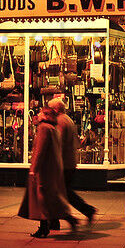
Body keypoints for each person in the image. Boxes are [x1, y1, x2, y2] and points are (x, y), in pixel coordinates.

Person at [17, 104, 77, 238]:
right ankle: (48, 226)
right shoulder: (53, 127)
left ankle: (55, 224)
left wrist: (34, 169)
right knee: (47, 200)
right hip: (52, 169)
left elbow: (40, 150)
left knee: (43, 200)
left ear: (46, 115)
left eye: (41, 113)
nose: (38, 115)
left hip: (43, 171)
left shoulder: (44, 128)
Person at [48, 97, 97, 227]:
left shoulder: (60, 122)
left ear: (56, 109)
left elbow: (58, 142)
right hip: (69, 162)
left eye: (50, 108)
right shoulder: (68, 119)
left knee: (59, 193)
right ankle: (60, 220)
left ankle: (65, 218)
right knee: (63, 193)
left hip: (63, 163)